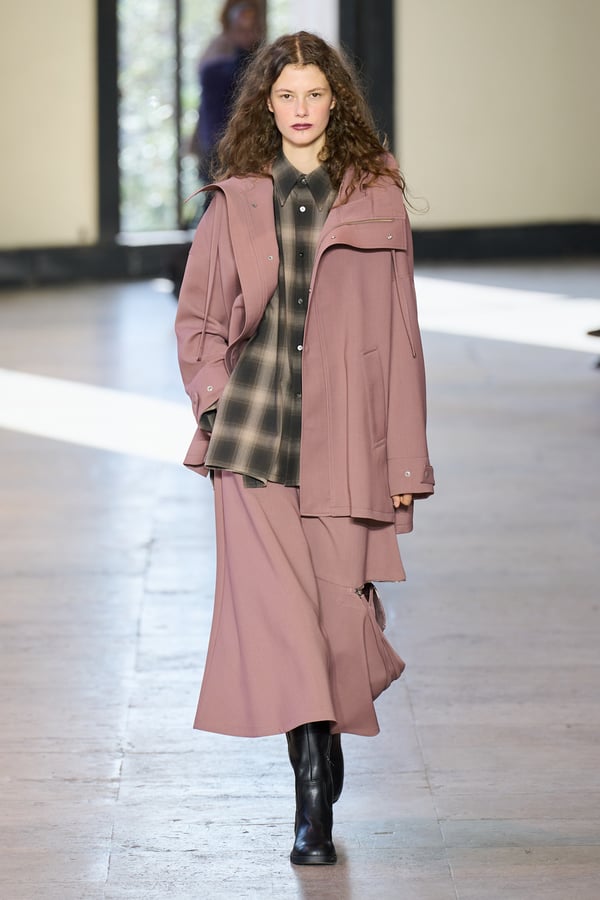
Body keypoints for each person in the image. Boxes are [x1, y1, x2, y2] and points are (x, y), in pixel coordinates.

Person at [175, 31, 435, 866]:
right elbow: (199, 320)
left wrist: (404, 464)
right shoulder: (237, 199)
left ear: (336, 102)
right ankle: (312, 800)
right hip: (252, 437)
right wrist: (214, 398)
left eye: (314, 94)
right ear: (266, 103)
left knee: (336, 618)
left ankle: (325, 739)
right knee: (287, 623)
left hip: (345, 442)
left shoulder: (375, 198)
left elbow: (402, 339)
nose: (299, 109)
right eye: (285, 95)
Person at [192, 1, 264, 185]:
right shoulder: (222, 55)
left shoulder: (248, 55)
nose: (249, 32)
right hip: (221, 146)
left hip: (238, 145)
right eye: (243, 28)